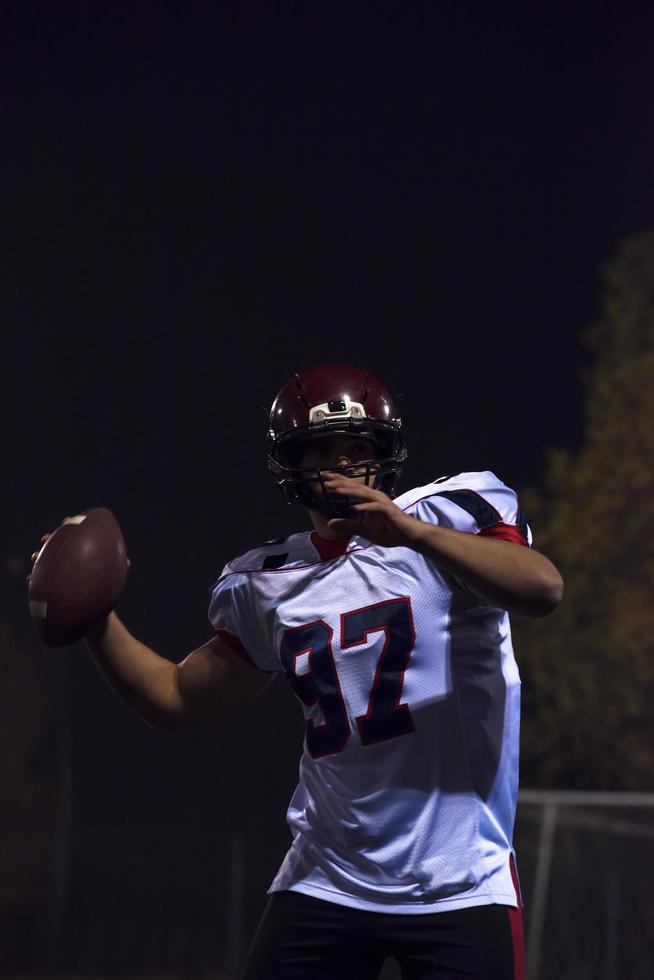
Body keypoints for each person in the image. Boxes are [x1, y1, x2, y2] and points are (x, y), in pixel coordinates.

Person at [33, 362, 563, 979]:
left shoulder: (449, 514)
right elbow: (176, 696)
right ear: (293, 468)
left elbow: (542, 588)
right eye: (321, 452)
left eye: (356, 449)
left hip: (460, 880)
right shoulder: (269, 581)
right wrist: (96, 618)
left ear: (384, 455)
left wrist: (411, 534)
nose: (340, 467)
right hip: (327, 877)